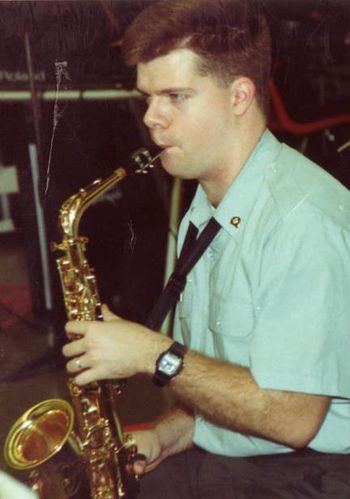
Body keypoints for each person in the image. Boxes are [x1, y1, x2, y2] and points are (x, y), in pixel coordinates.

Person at [62, 0, 350, 497]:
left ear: (240, 96)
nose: (152, 118)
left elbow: (295, 417)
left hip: (315, 472)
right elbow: (231, 387)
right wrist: (168, 433)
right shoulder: (204, 206)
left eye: (176, 96)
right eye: (148, 97)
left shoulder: (301, 220)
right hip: (250, 456)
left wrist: (153, 353)